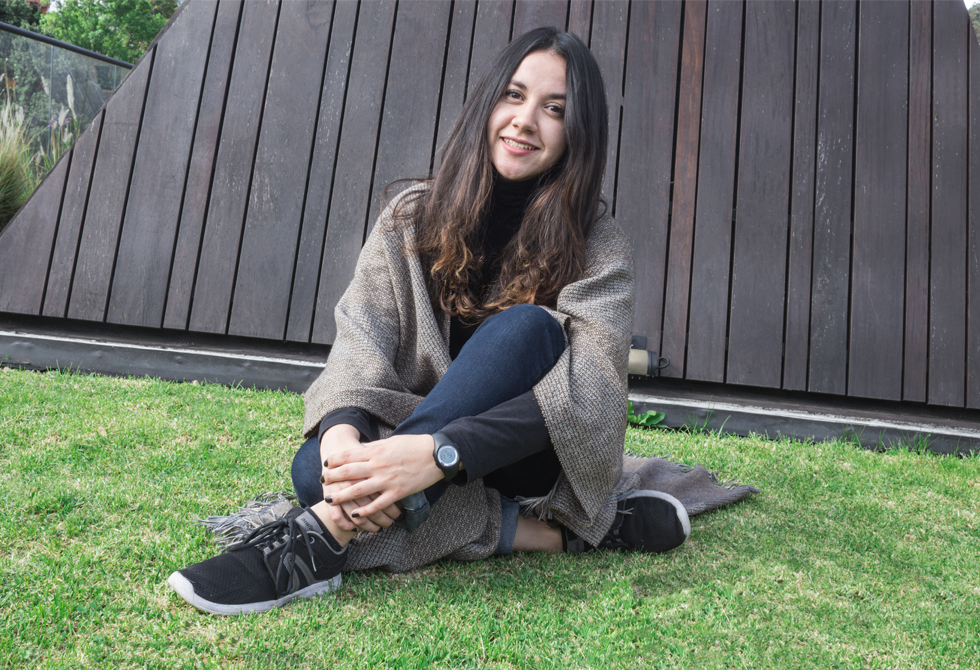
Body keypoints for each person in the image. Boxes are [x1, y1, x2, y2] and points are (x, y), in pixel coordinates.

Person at [167, 27, 694, 616]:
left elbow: (592, 393)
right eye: (514, 95)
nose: (525, 121)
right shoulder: (412, 215)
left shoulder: (599, 244)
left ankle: (324, 534)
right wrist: (341, 429)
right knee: (319, 469)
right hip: (422, 436)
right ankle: (546, 533)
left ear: (579, 133)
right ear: (488, 102)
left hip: (527, 455)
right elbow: (362, 333)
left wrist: (438, 452)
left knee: (528, 329)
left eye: (555, 109)